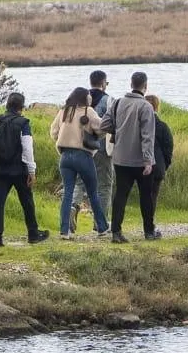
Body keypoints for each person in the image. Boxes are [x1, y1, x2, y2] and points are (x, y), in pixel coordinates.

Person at [0, 92, 49, 247]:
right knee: (27, 201)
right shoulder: (23, 123)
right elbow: (27, 148)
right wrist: (31, 171)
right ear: (22, 107)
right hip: (18, 169)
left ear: (7, 105)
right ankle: (33, 234)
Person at [100, 71, 158, 243]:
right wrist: (148, 160)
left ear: (131, 84)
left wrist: (119, 131)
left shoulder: (118, 103)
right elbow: (147, 136)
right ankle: (149, 231)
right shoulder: (146, 107)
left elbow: (104, 124)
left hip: (120, 158)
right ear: (145, 86)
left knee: (120, 195)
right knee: (146, 196)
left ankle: (116, 232)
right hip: (140, 160)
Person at [49, 88, 109, 239]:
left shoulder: (64, 111)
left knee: (67, 193)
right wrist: (96, 136)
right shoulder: (88, 111)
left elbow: (53, 132)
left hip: (65, 156)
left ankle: (64, 231)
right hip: (83, 156)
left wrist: (62, 140)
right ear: (85, 98)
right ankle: (101, 227)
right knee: (92, 192)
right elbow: (101, 128)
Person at [69, 70, 113, 231]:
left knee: (80, 182)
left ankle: (73, 207)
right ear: (103, 83)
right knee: (104, 185)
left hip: (80, 147)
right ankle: (99, 222)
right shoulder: (108, 101)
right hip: (100, 148)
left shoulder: (79, 100)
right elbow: (110, 124)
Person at [143, 95, 174, 233]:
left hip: (139, 165)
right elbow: (168, 149)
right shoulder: (162, 126)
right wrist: (165, 165)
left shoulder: (138, 126)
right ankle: (149, 226)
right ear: (156, 107)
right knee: (152, 196)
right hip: (157, 165)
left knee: (144, 195)